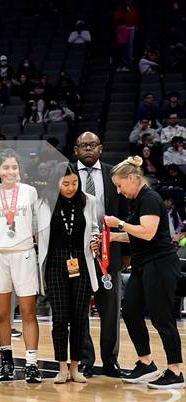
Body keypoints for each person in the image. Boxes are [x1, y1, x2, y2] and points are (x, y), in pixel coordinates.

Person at [105, 156, 183, 388]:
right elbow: (135, 234)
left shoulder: (149, 198)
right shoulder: (138, 200)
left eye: (119, 185)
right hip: (143, 265)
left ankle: (175, 371)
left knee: (162, 317)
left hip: (159, 264)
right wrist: (110, 238)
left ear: (132, 178)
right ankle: (146, 363)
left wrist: (119, 224)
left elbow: (147, 232)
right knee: (130, 311)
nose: (118, 191)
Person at [37, 163, 99, 383]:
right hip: (55, 263)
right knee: (60, 318)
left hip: (81, 263)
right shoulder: (43, 203)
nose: (71, 188)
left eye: (74, 183)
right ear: (55, 183)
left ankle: (75, 367)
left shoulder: (89, 201)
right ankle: (61, 367)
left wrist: (95, 240)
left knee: (80, 318)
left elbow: (94, 227)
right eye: (66, 184)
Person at [73, 132, 127, 377]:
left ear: (100, 148)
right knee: (78, 306)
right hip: (76, 250)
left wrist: (126, 252)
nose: (88, 149)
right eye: (83, 145)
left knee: (111, 307)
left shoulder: (113, 174)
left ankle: (110, 359)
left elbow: (124, 211)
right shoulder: (65, 173)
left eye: (92, 145)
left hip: (108, 248)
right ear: (76, 150)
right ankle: (85, 359)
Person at [0, 149, 42, 383]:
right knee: (1, 314)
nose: (11, 171)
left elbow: (37, 225)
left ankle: (31, 363)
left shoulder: (30, 191)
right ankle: (7, 362)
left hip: (24, 254)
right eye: (6, 167)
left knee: (28, 312)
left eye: (14, 167)